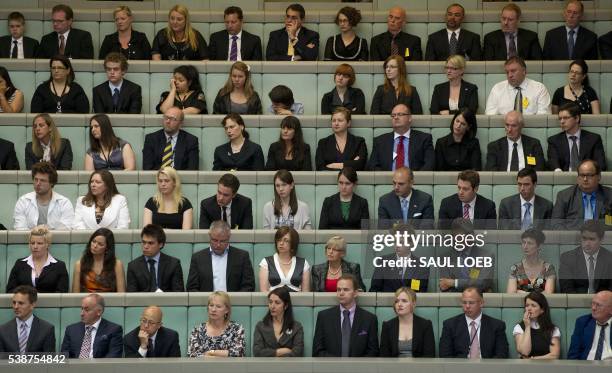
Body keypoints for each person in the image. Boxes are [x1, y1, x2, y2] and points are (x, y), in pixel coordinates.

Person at [312, 274, 379, 357]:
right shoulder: (324, 317)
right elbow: (317, 351)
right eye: (338, 289)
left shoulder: (369, 319)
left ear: (355, 293)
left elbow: (373, 352)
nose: (341, 293)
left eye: (346, 290)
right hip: (330, 368)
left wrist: (354, 366)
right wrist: (338, 365)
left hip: (359, 369)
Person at [439, 287, 509, 358]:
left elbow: (501, 355)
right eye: (464, 302)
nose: (467, 306)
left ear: (481, 303)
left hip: (488, 367)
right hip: (459, 367)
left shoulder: (497, 326)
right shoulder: (450, 325)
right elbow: (445, 356)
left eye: (471, 303)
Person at [187, 220, 255, 292]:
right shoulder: (198, 258)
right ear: (209, 236)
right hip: (206, 302)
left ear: (229, 237)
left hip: (234, 302)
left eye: (222, 241)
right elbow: (191, 288)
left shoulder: (242, 257)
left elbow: (249, 286)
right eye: (214, 240)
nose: (218, 245)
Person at [368, 104, 433, 171]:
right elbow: (373, 165)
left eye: (400, 114)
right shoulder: (379, 141)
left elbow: (429, 164)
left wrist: (412, 179)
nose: (396, 117)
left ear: (409, 118)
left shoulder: (424, 139)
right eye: (393, 115)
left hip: (413, 180)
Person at [551, 160, 612, 230]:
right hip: (572, 238)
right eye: (582, 175)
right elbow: (555, 223)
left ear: (599, 177)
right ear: (577, 177)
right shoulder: (564, 196)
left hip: (602, 239)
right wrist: (568, 237)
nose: (585, 179)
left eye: (589, 175)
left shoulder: (610, 195)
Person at [438, 218, 496, 293]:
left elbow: (483, 283)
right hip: (452, 300)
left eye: (459, 237)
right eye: (454, 237)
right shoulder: (444, 258)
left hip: (477, 299)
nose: (456, 241)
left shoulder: (486, 256)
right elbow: (444, 285)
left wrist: (454, 283)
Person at [6, 226, 69, 292]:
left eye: (39, 243)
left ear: (47, 244)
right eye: (32, 243)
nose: (35, 247)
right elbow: (10, 290)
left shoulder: (59, 266)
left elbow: (62, 293)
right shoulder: (20, 264)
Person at [13, 162, 74, 230]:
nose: (38, 183)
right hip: (29, 241)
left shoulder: (64, 203)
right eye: (36, 179)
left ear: (51, 183)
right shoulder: (23, 201)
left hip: (56, 241)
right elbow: (19, 229)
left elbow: (66, 230)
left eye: (42, 180)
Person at [370, 224, 430, 292]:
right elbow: (374, 290)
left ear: (411, 243)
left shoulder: (422, 266)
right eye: (395, 241)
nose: (397, 245)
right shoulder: (382, 262)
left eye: (401, 242)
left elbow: (419, 292)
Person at [547, 103, 606, 172]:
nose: (562, 121)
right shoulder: (554, 140)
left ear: (577, 118)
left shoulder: (594, 139)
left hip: (587, 177)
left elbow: (600, 164)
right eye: (560, 119)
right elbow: (553, 162)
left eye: (566, 118)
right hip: (563, 177)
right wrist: (558, 172)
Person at [61, 294, 123, 358]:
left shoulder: (113, 330)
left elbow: (113, 356)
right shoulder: (71, 330)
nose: (81, 313)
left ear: (99, 311)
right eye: (82, 309)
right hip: (73, 367)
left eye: (87, 310)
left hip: (101, 367)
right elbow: (64, 356)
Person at [126, 224, 184, 292]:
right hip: (143, 302)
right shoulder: (133, 266)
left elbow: (178, 293)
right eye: (144, 242)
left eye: (150, 243)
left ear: (160, 244)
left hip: (167, 302)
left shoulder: (173, 264)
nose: (145, 246)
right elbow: (132, 296)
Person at [559, 220, 612, 293]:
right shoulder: (567, 258)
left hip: (603, 302)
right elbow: (566, 289)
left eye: (592, 239)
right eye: (584, 238)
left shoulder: (609, 258)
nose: (587, 243)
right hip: (576, 301)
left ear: (601, 240)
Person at [485, 56, 551, 115]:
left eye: (513, 71)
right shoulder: (497, 89)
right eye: (507, 72)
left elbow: (543, 118)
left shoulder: (539, 88)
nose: (509, 75)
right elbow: (490, 117)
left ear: (524, 71)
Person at [380, 287, 435, 357]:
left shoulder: (425, 325)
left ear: (413, 304)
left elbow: (429, 356)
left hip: (419, 367)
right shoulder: (387, 326)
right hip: (393, 367)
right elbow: (384, 356)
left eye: (404, 301)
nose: (399, 304)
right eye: (397, 301)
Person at [187, 291, 246, 357]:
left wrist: (211, 352)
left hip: (230, 367)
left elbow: (238, 353)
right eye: (211, 305)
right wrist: (224, 354)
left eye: (218, 306)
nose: (213, 309)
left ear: (226, 310)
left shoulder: (237, 329)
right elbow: (192, 355)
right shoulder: (198, 330)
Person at [142, 106, 199, 170]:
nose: (168, 121)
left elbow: (192, 169)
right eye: (166, 118)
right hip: (157, 178)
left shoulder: (191, 141)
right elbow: (147, 168)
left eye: (172, 119)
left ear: (180, 123)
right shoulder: (151, 139)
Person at [0, 286, 55, 353]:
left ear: (32, 305)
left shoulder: (47, 329)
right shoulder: (3, 330)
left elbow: (50, 360)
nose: (16, 307)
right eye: (14, 303)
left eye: (21, 303)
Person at [253, 287, 305, 357]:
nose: (272, 306)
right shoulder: (260, 326)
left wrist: (269, 353)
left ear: (286, 306)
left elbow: (298, 352)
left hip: (289, 366)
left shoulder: (296, 327)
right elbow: (257, 352)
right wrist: (279, 352)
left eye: (277, 303)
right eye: (270, 302)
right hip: (265, 366)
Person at [72, 228, 126, 293]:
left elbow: (122, 295)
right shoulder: (79, 264)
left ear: (107, 248)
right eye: (93, 241)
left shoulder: (117, 264)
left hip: (110, 301)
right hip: (87, 302)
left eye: (100, 244)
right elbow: (75, 294)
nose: (95, 246)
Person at [259, 226, 311, 292]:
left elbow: (306, 293)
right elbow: (264, 291)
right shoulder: (266, 262)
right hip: (274, 301)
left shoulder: (303, 263)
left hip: (298, 301)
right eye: (279, 240)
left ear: (293, 243)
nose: (281, 243)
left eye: (286, 240)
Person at [507, 229, 556, 294]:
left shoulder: (548, 268)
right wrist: (540, 293)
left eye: (530, 243)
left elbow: (549, 294)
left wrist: (519, 292)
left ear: (539, 246)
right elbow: (511, 294)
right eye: (524, 242)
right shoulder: (516, 268)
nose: (525, 246)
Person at [514, 292, 561, 359]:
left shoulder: (553, 329)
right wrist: (527, 326)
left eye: (533, 305)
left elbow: (554, 355)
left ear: (542, 310)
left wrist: (534, 359)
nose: (529, 309)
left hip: (547, 366)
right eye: (527, 305)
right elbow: (525, 352)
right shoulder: (519, 327)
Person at [567, 290, 612, 360]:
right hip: (587, 367)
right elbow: (573, 354)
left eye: (598, 305)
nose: (593, 308)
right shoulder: (582, 322)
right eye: (593, 303)